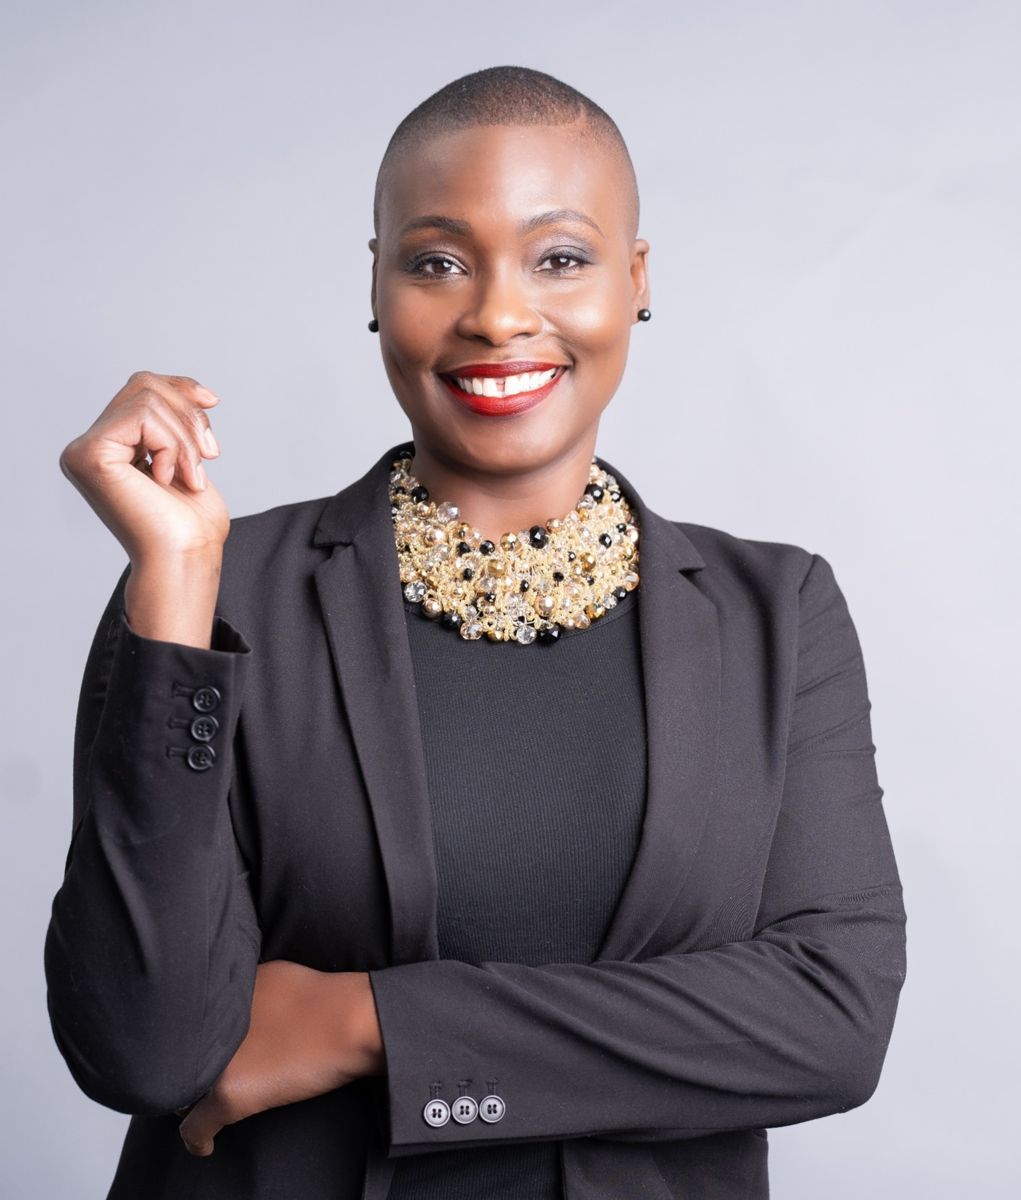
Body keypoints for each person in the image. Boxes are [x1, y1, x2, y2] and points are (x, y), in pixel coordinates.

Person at [45, 66, 907, 1200]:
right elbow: (146, 1049)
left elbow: (830, 1021)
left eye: (560, 257)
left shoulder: (774, 612)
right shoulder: (215, 593)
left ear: (635, 280)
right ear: (376, 282)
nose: (498, 313)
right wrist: (175, 585)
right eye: (438, 261)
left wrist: (369, 1022)